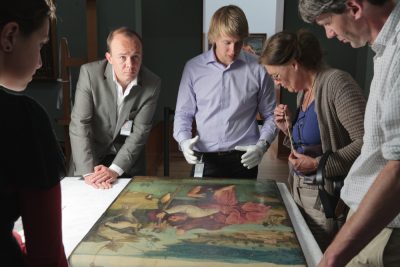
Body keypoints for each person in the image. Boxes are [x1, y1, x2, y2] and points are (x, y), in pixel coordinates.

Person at [298, 0, 400, 266]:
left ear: (354, 8)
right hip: (372, 222)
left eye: (328, 23)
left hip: (386, 228)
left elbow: (398, 169)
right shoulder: (384, 50)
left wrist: (333, 256)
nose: (330, 34)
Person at [259, 29, 366, 251]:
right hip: (300, 192)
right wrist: (287, 128)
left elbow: (367, 143)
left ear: (294, 64)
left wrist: (318, 165)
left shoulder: (337, 84)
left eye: (277, 76)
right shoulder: (303, 93)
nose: (277, 84)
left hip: (326, 200)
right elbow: (311, 144)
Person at [0, 0, 68, 266]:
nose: (40, 62)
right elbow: (47, 255)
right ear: (10, 36)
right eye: (40, 45)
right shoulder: (22, 119)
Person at [173, 5, 277, 179]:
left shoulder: (258, 69)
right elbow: (183, 114)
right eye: (227, 42)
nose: (233, 50)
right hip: (204, 158)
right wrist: (183, 141)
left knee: (244, 207)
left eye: (239, 43)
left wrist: (262, 146)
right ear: (214, 38)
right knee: (201, 207)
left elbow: (271, 115)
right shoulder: (193, 68)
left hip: (244, 158)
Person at [69, 27, 161, 189]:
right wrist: (90, 173)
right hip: (89, 156)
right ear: (109, 58)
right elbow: (80, 124)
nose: (130, 65)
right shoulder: (89, 74)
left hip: (126, 161)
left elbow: (140, 132)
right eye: (122, 57)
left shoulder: (152, 84)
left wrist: (114, 169)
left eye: (135, 57)